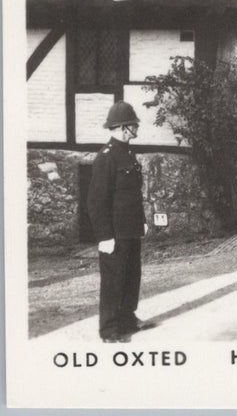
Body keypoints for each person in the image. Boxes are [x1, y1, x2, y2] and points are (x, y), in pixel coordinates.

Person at [88, 101, 150, 342]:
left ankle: (127, 319)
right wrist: (104, 236)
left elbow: (132, 194)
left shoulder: (127, 153)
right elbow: (96, 201)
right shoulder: (106, 158)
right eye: (134, 125)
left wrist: (141, 221)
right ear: (124, 128)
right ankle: (109, 330)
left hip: (131, 229)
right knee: (113, 282)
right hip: (114, 232)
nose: (137, 128)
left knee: (131, 276)